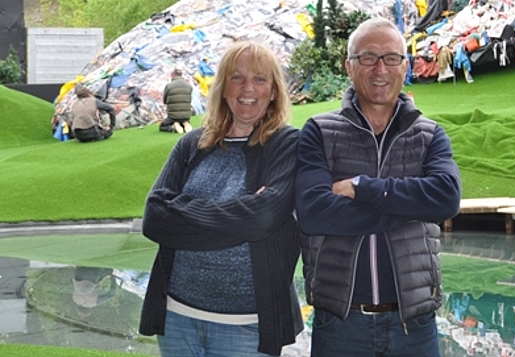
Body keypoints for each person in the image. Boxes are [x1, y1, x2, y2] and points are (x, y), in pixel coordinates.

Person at [295, 17, 462, 357]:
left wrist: (364, 188)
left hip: (412, 326)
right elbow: (313, 214)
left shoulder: (429, 135)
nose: (380, 69)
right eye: (367, 58)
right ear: (349, 66)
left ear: (406, 65)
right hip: (341, 325)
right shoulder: (319, 132)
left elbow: (446, 198)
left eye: (391, 58)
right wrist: (409, 206)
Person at [139, 41, 303, 357]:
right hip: (177, 320)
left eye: (260, 79)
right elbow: (155, 217)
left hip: (247, 328)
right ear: (223, 88)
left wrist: (184, 212)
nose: (247, 88)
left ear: (273, 91)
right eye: (236, 77)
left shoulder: (286, 145)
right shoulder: (191, 145)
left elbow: (263, 219)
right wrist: (239, 214)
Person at [161, 68, 193, 133]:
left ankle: (173, 127)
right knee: (183, 119)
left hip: (173, 116)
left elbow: (164, 101)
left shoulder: (169, 86)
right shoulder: (189, 86)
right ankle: (185, 123)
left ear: (173, 75)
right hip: (186, 116)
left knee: (162, 126)